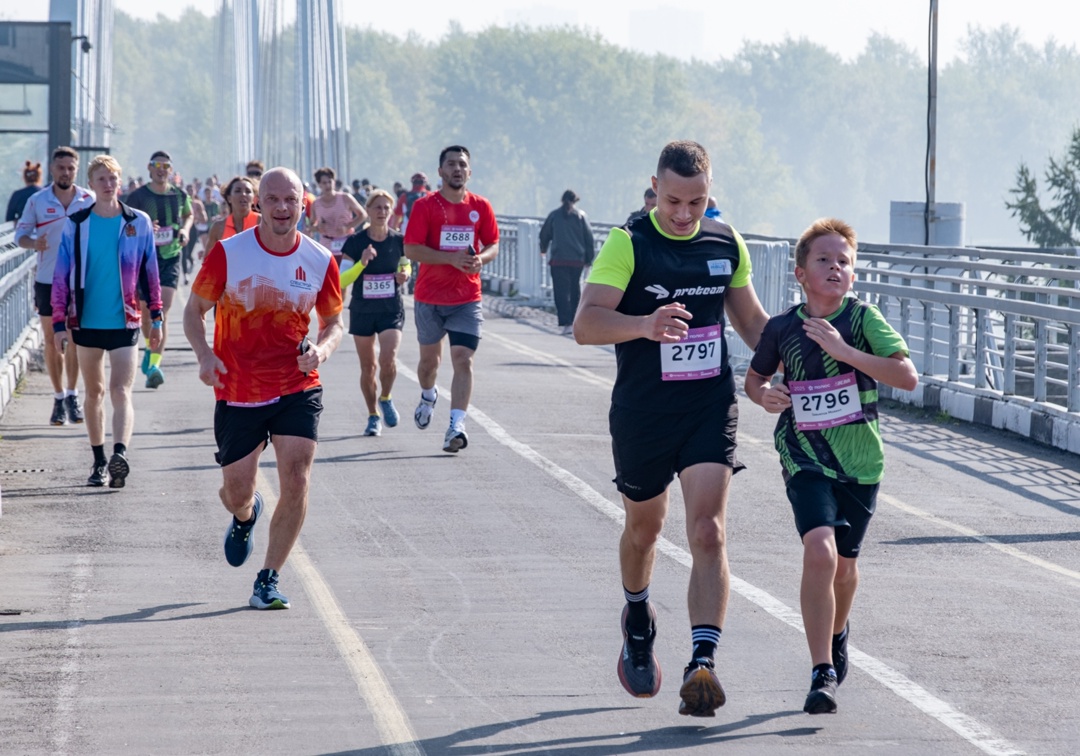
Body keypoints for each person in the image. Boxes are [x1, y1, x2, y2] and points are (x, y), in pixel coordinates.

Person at [573, 140, 770, 717]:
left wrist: (800, 361)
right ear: (654, 187)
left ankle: (701, 662)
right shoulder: (628, 242)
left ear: (712, 194)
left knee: (708, 531)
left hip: (708, 405)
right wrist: (643, 324)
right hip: (643, 412)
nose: (684, 214)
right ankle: (638, 615)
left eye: (697, 201)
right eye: (674, 200)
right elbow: (586, 325)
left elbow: (753, 321)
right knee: (645, 530)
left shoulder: (724, 240)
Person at [744, 217, 917, 714]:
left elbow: (906, 377)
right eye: (824, 259)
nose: (835, 268)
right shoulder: (782, 328)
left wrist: (843, 352)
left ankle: (839, 630)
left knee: (844, 567)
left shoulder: (864, 321)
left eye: (844, 261)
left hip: (861, 462)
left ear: (854, 275)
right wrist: (767, 396)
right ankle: (821, 672)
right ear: (801, 273)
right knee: (819, 551)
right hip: (803, 457)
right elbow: (754, 381)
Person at [183, 167, 344, 610]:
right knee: (235, 490)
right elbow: (194, 311)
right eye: (272, 199)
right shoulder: (229, 254)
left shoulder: (319, 260)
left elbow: (334, 323)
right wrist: (204, 355)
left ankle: (268, 579)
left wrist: (323, 352)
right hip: (238, 386)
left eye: (290, 200)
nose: (281, 208)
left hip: (297, 382)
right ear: (259, 204)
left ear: (303, 203)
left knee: (297, 476)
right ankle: (245, 513)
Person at [51, 155, 163, 488]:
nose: (108, 184)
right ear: (92, 184)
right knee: (95, 391)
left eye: (113, 178)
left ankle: (120, 455)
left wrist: (156, 317)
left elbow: (150, 274)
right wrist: (59, 323)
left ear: (119, 182)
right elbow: (60, 277)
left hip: (126, 320)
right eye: (101, 179)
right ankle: (98, 461)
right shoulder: (76, 224)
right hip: (85, 321)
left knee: (120, 390)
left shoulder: (137, 222)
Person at [404, 145, 499, 453]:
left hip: (466, 298)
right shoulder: (425, 206)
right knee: (429, 364)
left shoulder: (481, 206)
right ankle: (428, 394)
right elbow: (411, 249)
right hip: (430, 297)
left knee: (463, 359)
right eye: (451, 164)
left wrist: (481, 259)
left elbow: (493, 244)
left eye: (462, 164)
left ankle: (456, 425)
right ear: (440, 171)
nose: (457, 169)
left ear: (469, 172)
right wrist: (450, 259)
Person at [15, 146, 96, 426]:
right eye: (61, 167)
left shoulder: (89, 199)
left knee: (73, 338)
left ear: (77, 169)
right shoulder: (38, 201)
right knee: (51, 340)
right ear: (51, 169)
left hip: (80, 282)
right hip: (48, 281)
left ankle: (73, 395)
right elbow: (20, 235)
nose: (65, 172)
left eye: (70, 168)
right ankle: (58, 396)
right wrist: (33, 242)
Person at [339, 189, 411, 436]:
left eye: (386, 208)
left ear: (391, 212)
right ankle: (372, 416)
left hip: (391, 308)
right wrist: (363, 262)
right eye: (377, 207)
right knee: (368, 367)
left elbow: (405, 264)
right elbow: (341, 280)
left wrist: (406, 275)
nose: (381, 212)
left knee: (388, 360)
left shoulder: (398, 240)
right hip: (362, 311)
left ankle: (386, 396)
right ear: (367, 211)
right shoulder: (355, 242)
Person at [123, 150, 193, 389]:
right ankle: (148, 344)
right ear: (149, 168)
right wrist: (143, 229)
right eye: (157, 165)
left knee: (161, 309)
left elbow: (189, 215)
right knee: (145, 312)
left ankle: (154, 365)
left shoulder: (180, 195)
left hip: (170, 256)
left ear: (170, 170)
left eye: (166, 166)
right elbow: (125, 225)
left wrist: (185, 230)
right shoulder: (138, 197)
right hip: (144, 259)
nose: (162, 169)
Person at [539, 190, 596, 335]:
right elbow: (589, 239)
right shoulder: (581, 216)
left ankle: (565, 321)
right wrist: (589, 259)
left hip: (558, 259)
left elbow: (544, 234)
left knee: (560, 291)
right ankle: (574, 320)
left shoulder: (554, 215)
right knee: (575, 290)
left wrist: (543, 248)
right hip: (577, 260)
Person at [308, 167, 368, 262]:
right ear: (319, 185)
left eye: (330, 181)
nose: (328, 185)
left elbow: (363, 215)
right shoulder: (316, 204)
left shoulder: (345, 198)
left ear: (334, 182)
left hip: (346, 243)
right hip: (326, 246)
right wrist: (318, 227)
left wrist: (348, 227)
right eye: (324, 183)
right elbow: (311, 226)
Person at [203, 176, 259, 252]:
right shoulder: (218, 228)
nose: (243, 194)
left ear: (254, 199)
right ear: (229, 198)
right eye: (238, 191)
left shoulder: (263, 223)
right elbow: (207, 261)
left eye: (248, 191)